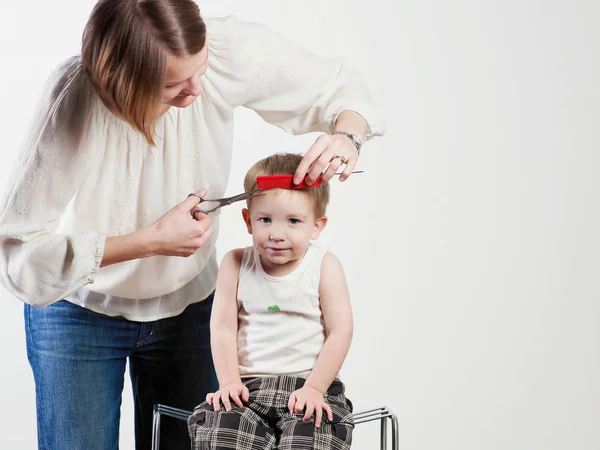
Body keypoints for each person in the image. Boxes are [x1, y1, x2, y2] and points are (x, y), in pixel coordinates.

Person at [0, 0, 384, 449]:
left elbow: (340, 89)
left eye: (199, 70)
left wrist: (347, 134)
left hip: (189, 311)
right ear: (119, 84)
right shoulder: (73, 103)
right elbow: (20, 258)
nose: (196, 91)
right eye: (172, 85)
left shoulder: (224, 52)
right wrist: (149, 242)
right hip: (79, 312)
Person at [188, 152, 355, 450]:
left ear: (316, 226)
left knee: (310, 437)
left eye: (293, 221)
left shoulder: (324, 265)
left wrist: (316, 388)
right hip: (248, 389)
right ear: (248, 221)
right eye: (265, 219)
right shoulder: (235, 263)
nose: (277, 234)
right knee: (222, 433)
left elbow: (340, 332)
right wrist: (228, 382)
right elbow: (223, 328)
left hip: (309, 384)